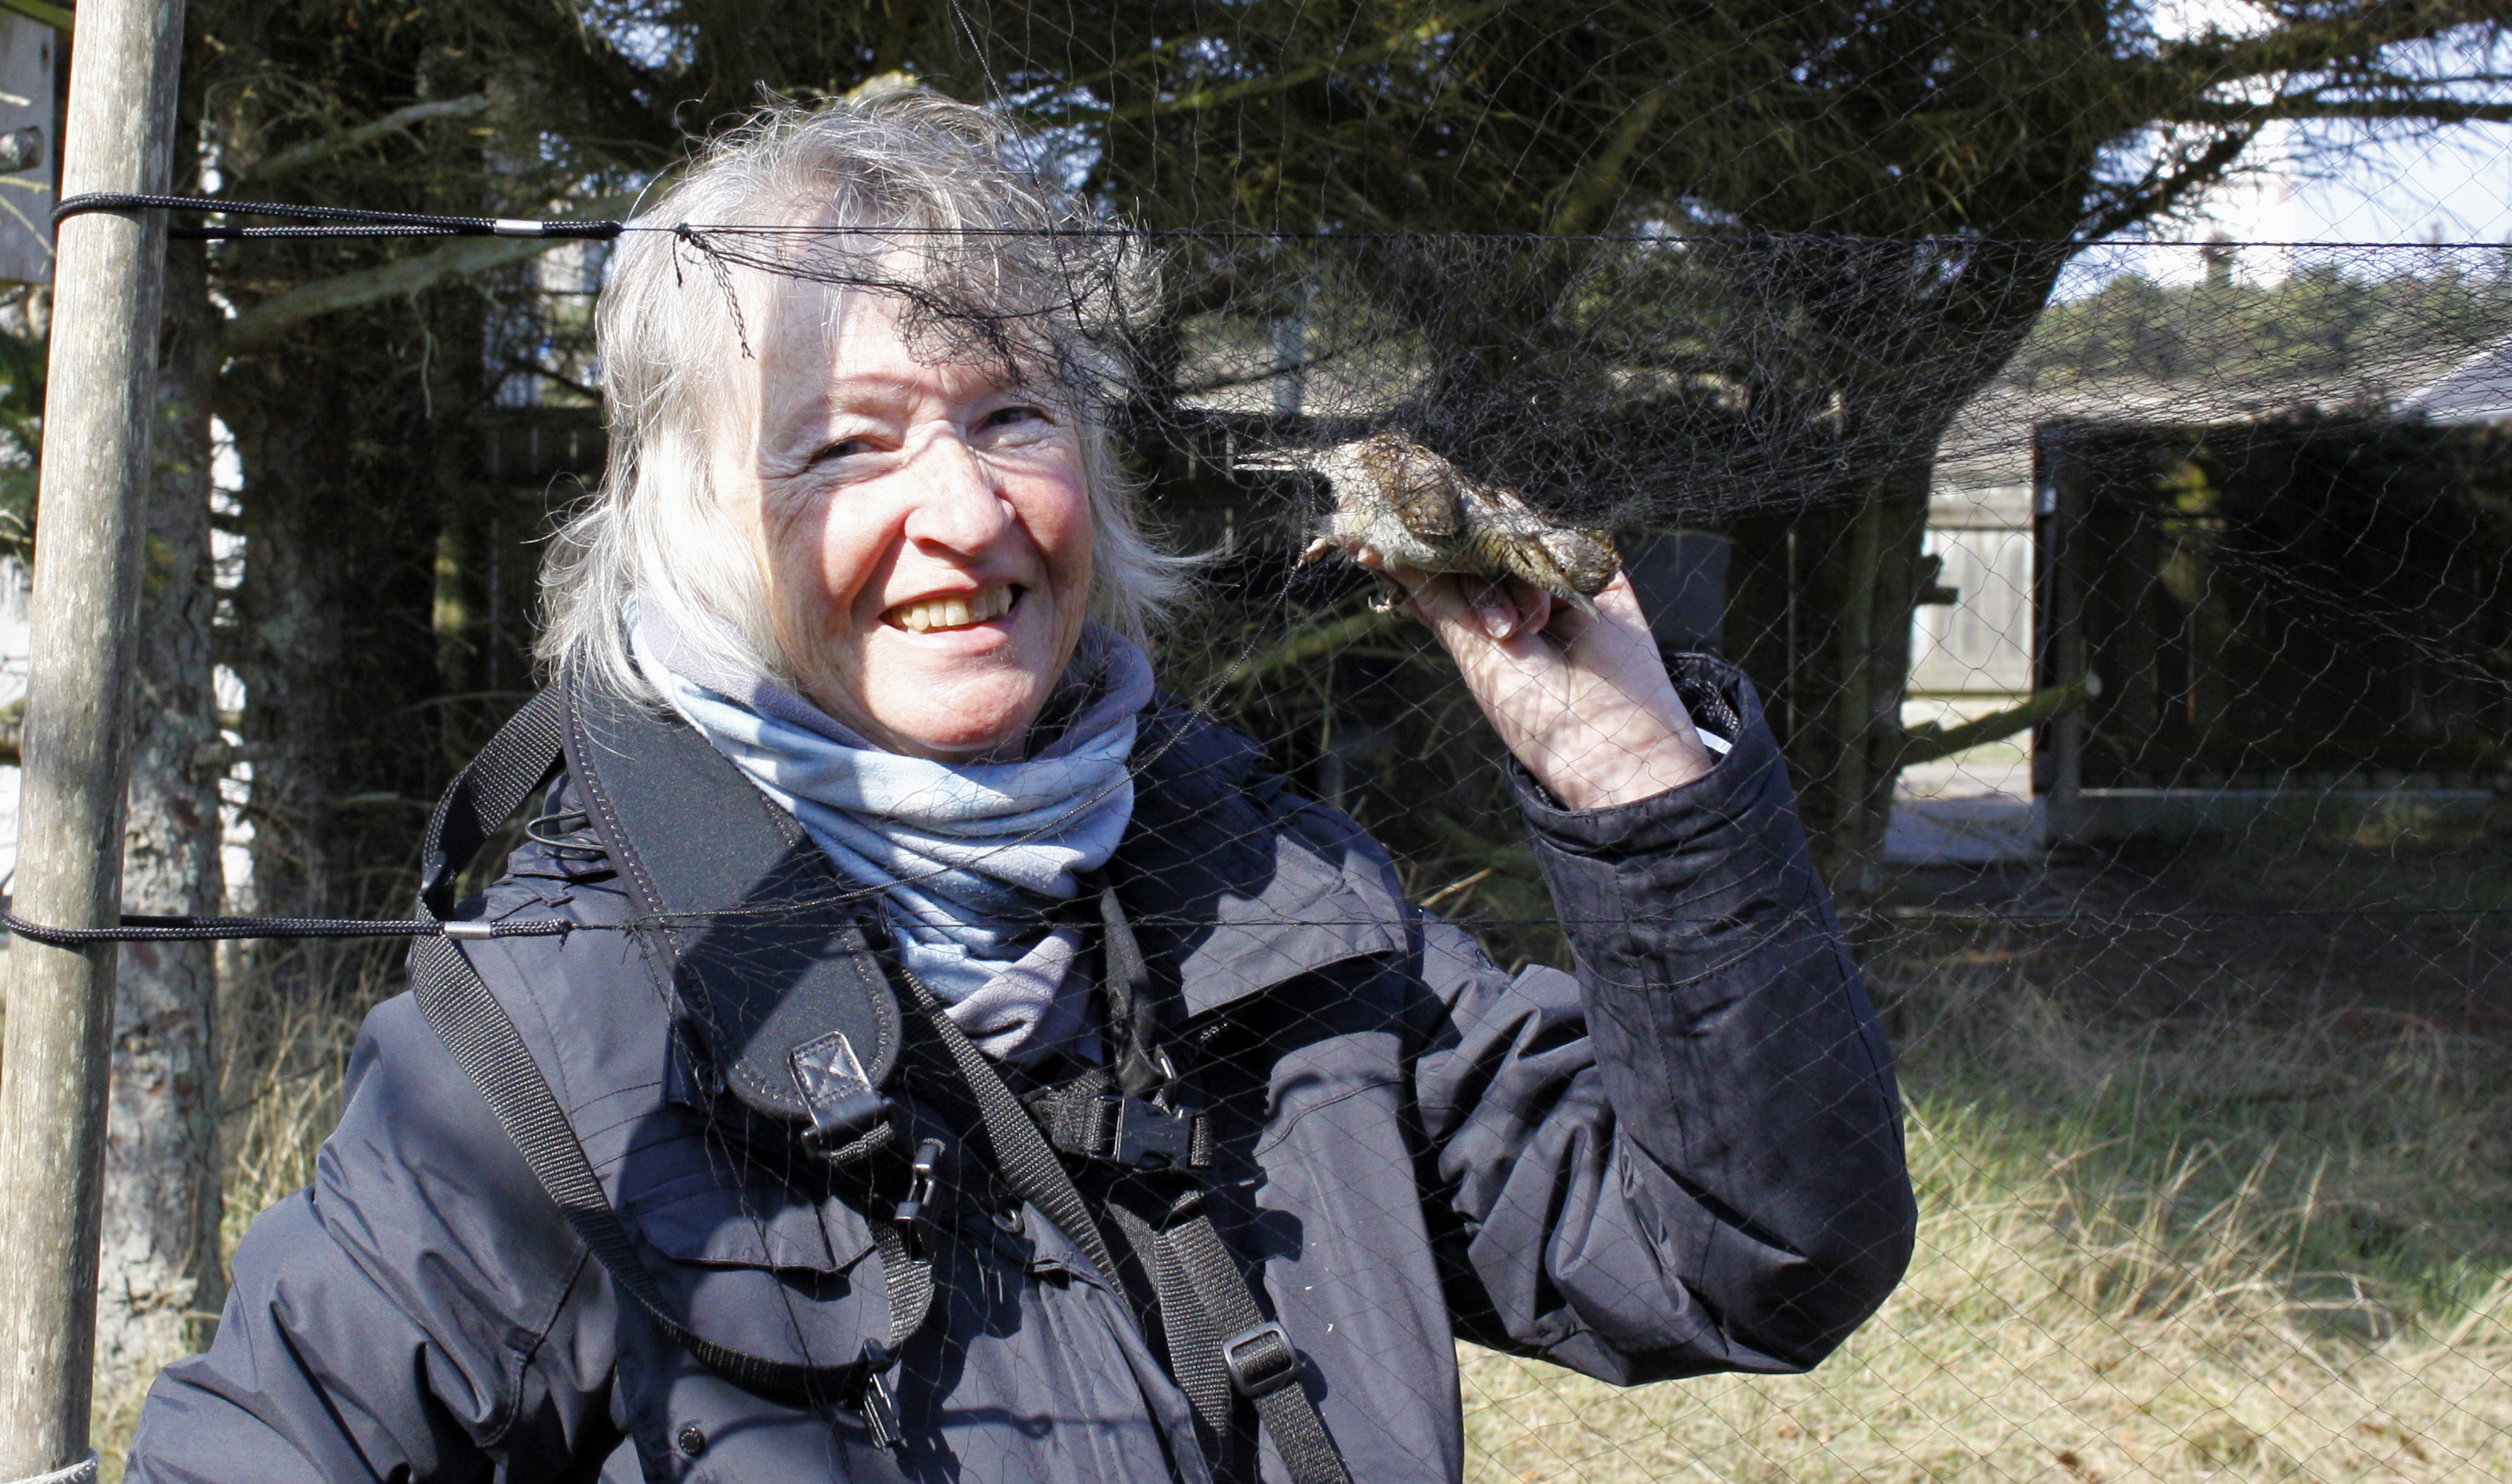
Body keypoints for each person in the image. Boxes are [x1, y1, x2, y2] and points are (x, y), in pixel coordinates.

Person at [127, 95, 1914, 1483]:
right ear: (683, 531)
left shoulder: (1251, 891)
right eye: (843, 447)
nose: (966, 517)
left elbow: (1743, 1253)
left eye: (1008, 415)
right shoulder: (565, 1038)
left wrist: (1627, 769)